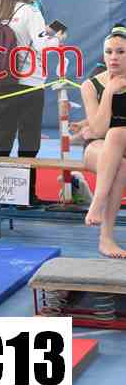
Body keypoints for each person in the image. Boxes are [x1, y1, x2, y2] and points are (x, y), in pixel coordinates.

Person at [0, 0, 65, 204]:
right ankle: (26, 196)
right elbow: (43, 45)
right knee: (28, 139)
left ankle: (0, 194)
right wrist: (57, 38)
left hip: (3, 81)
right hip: (30, 81)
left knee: (3, 138)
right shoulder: (31, 12)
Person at [82, 26, 126, 257]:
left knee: (118, 134)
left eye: (120, 52)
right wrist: (108, 92)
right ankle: (105, 238)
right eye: (109, 52)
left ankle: (97, 204)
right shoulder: (91, 85)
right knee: (119, 157)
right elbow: (98, 130)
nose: (113, 57)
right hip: (99, 148)